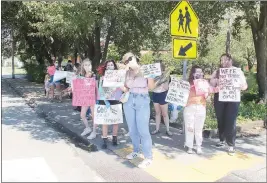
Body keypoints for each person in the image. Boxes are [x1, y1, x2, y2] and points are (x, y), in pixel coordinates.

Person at [121, 52, 156, 169]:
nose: (129, 61)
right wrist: (119, 82)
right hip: (129, 99)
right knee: (132, 128)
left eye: (130, 58)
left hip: (143, 99)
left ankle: (148, 157)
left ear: (135, 58)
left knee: (143, 129)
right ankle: (136, 150)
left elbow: (151, 87)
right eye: (126, 61)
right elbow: (125, 88)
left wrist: (150, 76)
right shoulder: (127, 72)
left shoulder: (145, 70)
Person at [210, 54, 248, 155]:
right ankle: (221, 140)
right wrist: (216, 81)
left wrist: (241, 86)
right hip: (219, 98)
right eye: (221, 60)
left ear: (231, 60)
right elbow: (211, 84)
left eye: (226, 60)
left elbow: (245, 86)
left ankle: (231, 145)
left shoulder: (237, 71)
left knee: (231, 121)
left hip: (233, 99)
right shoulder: (217, 71)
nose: (223, 62)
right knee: (220, 119)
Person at [184, 65, 218, 154]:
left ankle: (199, 146)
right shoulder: (187, 83)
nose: (199, 74)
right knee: (190, 128)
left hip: (201, 107)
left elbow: (210, 91)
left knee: (199, 128)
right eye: (197, 72)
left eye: (201, 72)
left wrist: (217, 88)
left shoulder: (204, 82)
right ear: (193, 73)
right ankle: (189, 146)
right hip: (189, 107)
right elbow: (182, 94)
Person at [97, 60, 123, 149]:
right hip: (106, 101)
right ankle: (104, 139)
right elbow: (100, 89)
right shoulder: (102, 77)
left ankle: (114, 138)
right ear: (106, 67)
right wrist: (104, 100)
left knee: (115, 120)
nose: (110, 66)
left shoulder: (119, 76)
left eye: (112, 64)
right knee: (105, 121)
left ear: (114, 66)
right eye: (108, 65)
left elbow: (121, 88)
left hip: (116, 99)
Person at [151, 61, 172, 136]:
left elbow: (166, 88)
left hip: (163, 94)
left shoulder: (165, 76)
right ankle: (157, 129)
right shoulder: (152, 76)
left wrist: (162, 82)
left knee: (165, 113)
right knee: (157, 113)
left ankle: (168, 130)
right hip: (155, 94)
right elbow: (151, 87)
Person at [79, 58, 98, 140]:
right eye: (85, 65)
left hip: (92, 97)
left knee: (94, 116)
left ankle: (94, 132)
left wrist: (98, 98)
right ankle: (87, 128)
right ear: (83, 66)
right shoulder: (81, 75)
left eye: (89, 65)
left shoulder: (94, 75)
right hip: (85, 97)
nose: (87, 66)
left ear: (91, 66)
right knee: (82, 114)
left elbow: (96, 87)